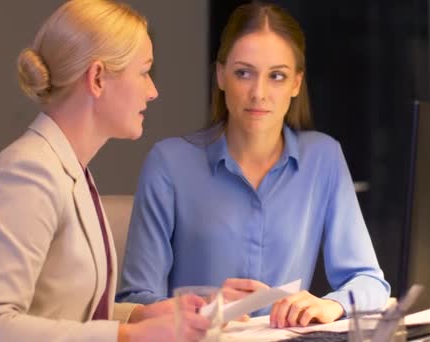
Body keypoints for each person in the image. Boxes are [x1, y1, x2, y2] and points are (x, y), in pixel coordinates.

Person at [0, 0, 211, 341]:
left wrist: (144, 314)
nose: (153, 91)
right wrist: (128, 336)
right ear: (97, 78)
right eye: (144, 72)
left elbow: (64, 309)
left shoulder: (66, 168)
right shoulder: (28, 174)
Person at [117, 2, 390, 329]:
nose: (258, 93)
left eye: (277, 76)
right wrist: (202, 305)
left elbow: (370, 281)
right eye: (243, 73)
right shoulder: (169, 163)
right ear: (220, 75)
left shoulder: (324, 158)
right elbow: (134, 301)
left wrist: (330, 304)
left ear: (296, 84)